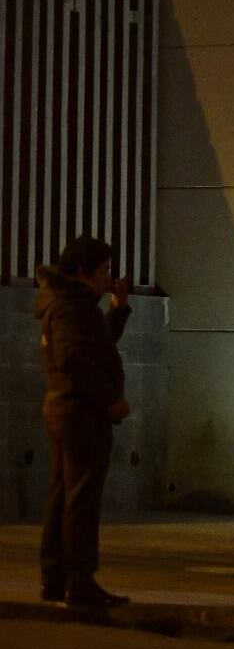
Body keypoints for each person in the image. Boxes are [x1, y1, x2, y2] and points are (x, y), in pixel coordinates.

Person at [36, 236, 132, 609]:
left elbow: (98, 343)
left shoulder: (72, 304)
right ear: (81, 272)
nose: (108, 278)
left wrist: (118, 308)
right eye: (103, 271)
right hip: (80, 414)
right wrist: (109, 401)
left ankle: (56, 577)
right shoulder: (69, 307)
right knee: (80, 499)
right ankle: (79, 579)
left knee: (63, 495)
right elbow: (74, 358)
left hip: (70, 410)